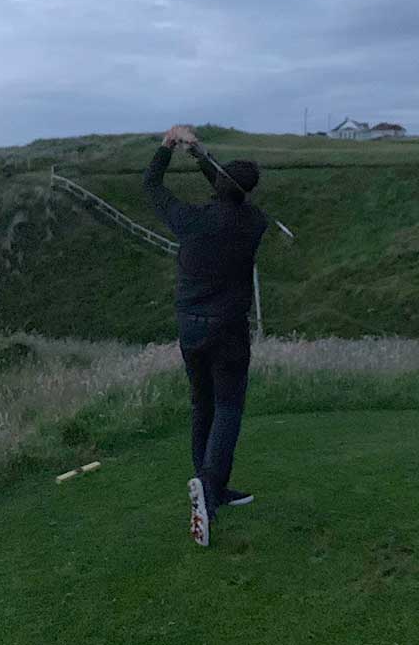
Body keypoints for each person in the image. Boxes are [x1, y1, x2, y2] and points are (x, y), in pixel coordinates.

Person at [143, 124, 267, 547]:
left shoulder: (191, 220)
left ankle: (209, 487)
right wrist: (200, 155)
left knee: (203, 405)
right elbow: (226, 187)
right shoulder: (255, 223)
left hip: (191, 326)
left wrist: (170, 148)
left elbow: (151, 184)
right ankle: (210, 488)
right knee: (228, 408)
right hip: (230, 328)